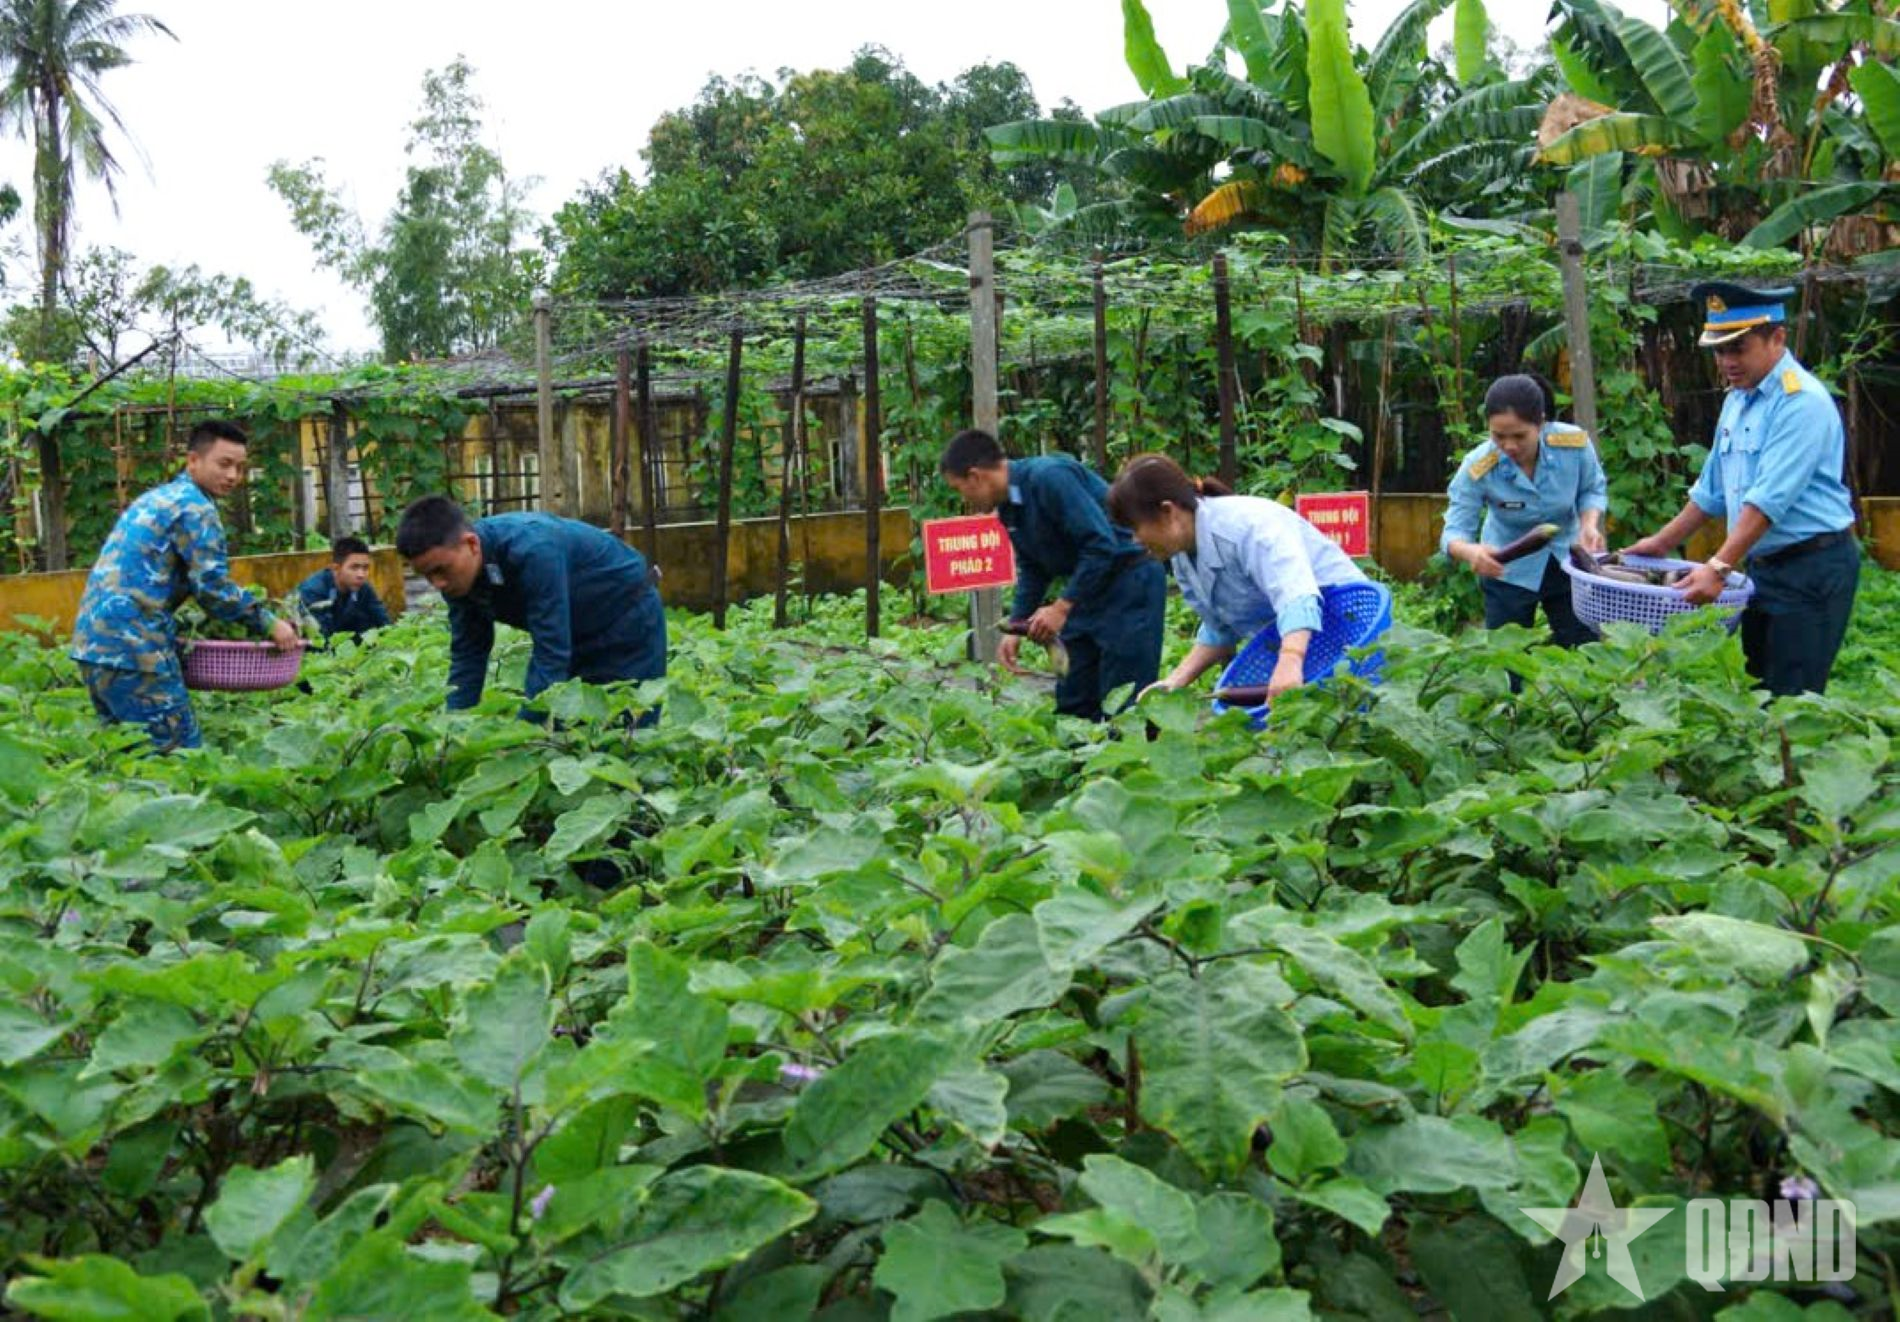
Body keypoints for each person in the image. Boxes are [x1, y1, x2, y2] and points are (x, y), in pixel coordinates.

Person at [1626, 282, 1859, 696]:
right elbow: (1712, 489)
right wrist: (1661, 543)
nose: (1727, 362)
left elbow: (1767, 502)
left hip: (1811, 568)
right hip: (1763, 568)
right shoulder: (1738, 398)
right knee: (1760, 688)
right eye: (1719, 351)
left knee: (1794, 698)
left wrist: (1718, 566)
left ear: (1777, 338)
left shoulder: (1801, 402)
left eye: (1738, 348)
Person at [69, 420, 301, 752]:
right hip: (135, 649)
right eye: (224, 464)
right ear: (193, 460)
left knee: (127, 755)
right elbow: (212, 588)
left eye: (240, 467)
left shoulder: (158, 498)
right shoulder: (196, 507)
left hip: (93, 645)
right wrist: (269, 623)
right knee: (180, 757)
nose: (233, 475)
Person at [940, 429, 1167, 720]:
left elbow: (1100, 545)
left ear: (975, 476)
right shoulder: (1008, 506)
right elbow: (1033, 567)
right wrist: (1017, 625)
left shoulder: (1049, 478)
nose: (964, 498)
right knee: (1073, 699)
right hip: (1087, 589)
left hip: (1130, 582)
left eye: (959, 489)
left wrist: (1061, 608)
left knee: (1125, 701)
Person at [1106, 453, 1369, 704]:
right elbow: (1221, 628)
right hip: (1304, 650)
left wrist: (1290, 660)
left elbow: (1297, 597)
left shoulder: (1248, 527)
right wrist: (1175, 681)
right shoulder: (1183, 558)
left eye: (1135, 527)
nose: (1135, 540)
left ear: (1168, 512)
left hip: (1353, 631)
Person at [394, 496, 667, 719]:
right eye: (427, 576)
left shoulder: (533, 550)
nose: (437, 584)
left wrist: (523, 735)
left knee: (628, 730)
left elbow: (551, 653)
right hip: (576, 633)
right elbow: (468, 654)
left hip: (628, 621)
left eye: (440, 570)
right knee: (568, 732)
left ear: (471, 544)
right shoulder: (457, 580)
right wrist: (452, 731)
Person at [1442, 373, 1607, 647]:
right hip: (1507, 569)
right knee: (1509, 657)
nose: (1509, 446)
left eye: (1520, 436)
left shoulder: (1574, 444)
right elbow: (1453, 532)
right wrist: (1471, 552)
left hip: (1567, 560)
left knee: (1583, 647)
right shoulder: (1478, 465)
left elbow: (1591, 489)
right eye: (1498, 436)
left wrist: (1589, 525)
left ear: (1540, 423)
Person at [296, 536, 392, 641]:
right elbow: (319, 639)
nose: (361, 574)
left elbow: (385, 624)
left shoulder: (363, 588)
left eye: (365, 568)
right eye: (354, 567)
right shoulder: (313, 591)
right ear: (336, 568)